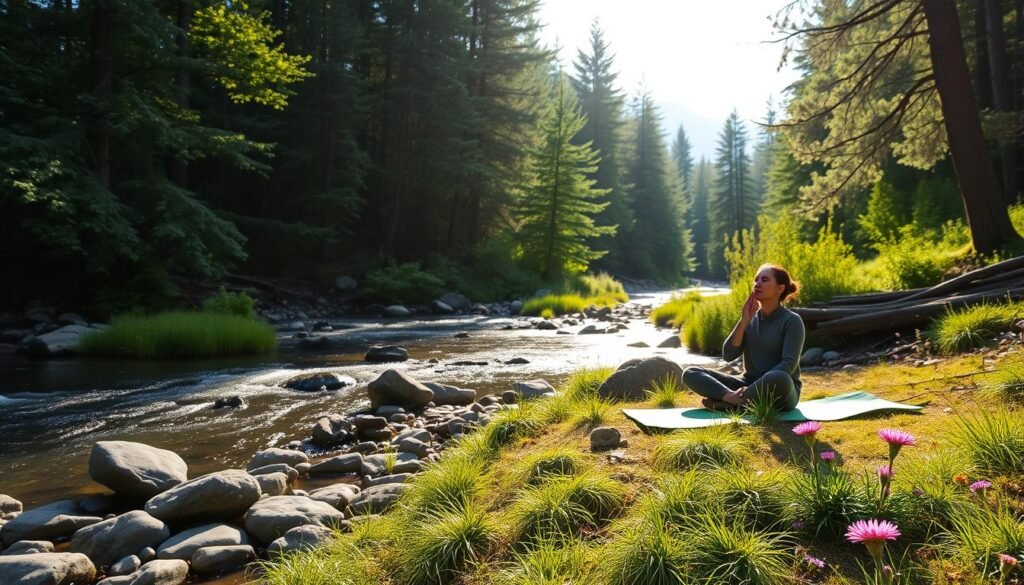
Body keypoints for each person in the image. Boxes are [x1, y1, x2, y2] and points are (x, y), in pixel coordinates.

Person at [682, 264, 805, 411]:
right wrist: (744, 320)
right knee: (690, 372)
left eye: (764, 279)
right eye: (756, 279)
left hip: (780, 390)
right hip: (746, 384)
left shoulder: (792, 320)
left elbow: (789, 364)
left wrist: (752, 387)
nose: (757, 283)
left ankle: (733, 405)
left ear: (780, 288)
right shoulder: (749, 318)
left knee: (779, 377)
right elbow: (728, 355)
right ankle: (731, 399)